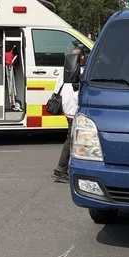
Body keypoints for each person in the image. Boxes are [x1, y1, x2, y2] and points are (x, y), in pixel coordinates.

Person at [52, 47, 87, 183]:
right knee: (72, 139)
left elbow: (57, 89)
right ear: (82, 57)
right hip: (75, 109)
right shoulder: (80, 72)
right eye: (84, 56)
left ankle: (68, 168)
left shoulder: (64, 71)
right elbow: (77, 95)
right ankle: (60, 169)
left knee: (74, 138)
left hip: (67, 109)